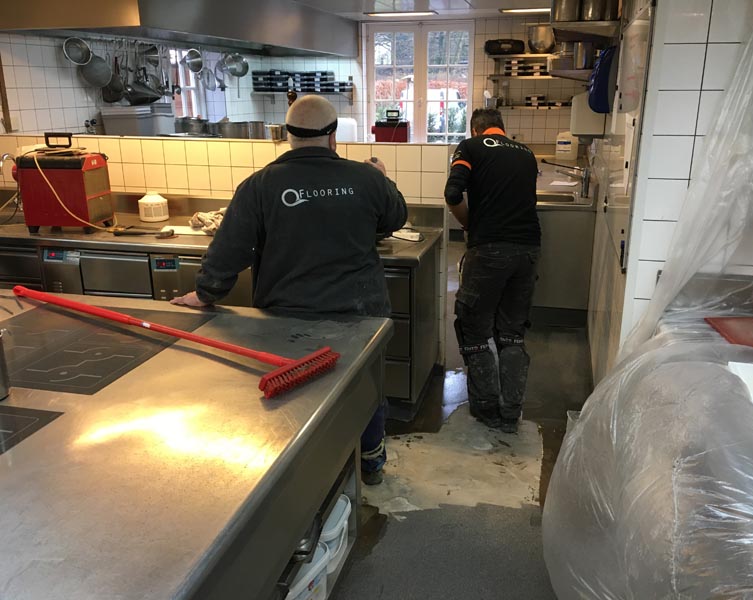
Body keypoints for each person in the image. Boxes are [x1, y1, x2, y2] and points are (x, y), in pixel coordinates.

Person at [171, 95, 408, 484]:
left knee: (297, 394)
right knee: (364, 387)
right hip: (360, 313)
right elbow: (395, 217)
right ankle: (370, 461)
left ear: (287, 136)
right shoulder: (365, 179)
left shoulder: (259, 185)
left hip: (286, 317)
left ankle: (302, 474)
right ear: (333, 136)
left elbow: (230, 249)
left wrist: (204, 293)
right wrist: (384, 178)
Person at [444, 108, 541, 434]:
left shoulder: (470, 147)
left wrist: (468, 224)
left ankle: (487, 409)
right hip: (528, 251)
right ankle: (511, 411)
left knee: (473, 328)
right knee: (512, 332)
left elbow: (452, 193)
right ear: (501, 128)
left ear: (476, 129)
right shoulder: (526, 153)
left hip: (489, 250)